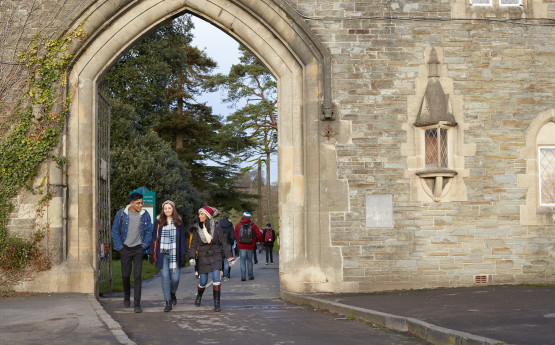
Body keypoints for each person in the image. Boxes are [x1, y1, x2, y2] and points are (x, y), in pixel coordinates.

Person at [111, 192, 153, 313]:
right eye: (138, 203)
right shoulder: (121, 214)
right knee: (125, 276)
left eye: (141, 202)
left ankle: (137, 304)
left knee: (137, 276)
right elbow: (115, 231)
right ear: (131, 203)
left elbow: (149, 230)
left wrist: (144, 245)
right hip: (125, 249)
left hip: (138, 249)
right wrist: (120, 247)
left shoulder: (145, 215)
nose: (141, 205)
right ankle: (126, 296)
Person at [188, 206, 235, 312]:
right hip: (203, 256)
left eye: (202, 214)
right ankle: (199, 296)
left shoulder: (217, 226)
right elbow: (193, 244)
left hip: (216, 254)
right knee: (203, 281)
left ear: (208, 216)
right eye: (199, 214)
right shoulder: (197, 227)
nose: (199, 216)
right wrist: (192, 257)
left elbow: (223, 242)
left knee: (216, 279)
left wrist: (229, 257)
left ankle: (217, 304)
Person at [148, 200, 187, 312]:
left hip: (175, 253)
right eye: (165, 208)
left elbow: (182, 239)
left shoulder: (179, 221)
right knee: (165, 277)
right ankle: (168, 302)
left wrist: (183, 254)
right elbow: (154, 237)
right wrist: (151, 252)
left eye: (169, 208)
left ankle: (172, 292)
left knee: (175, 278)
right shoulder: (159, 221)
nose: (167, 210)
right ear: (163, 210)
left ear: (173, 209)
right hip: (162, 253)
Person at [234, 211, 263, 281]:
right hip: (250, 245)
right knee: (250, 260)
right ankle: (250, 275)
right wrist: (259, 241)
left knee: (242, 261)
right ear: (249, 217)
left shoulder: (238, 225)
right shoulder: (253, 225)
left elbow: (236, 235)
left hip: (241, 246)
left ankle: (243, 276)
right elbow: (260, 234)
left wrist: (238, 243)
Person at [219, 212, 235, 281]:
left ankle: (219, 274)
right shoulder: (230, 224)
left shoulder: (218, 224)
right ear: (228, 218)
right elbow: (232, 236)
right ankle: (225, 276)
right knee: (226, 259)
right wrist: (231, 243)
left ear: (222, 217)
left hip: (219, 244)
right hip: (227, 243)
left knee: (219, 259)